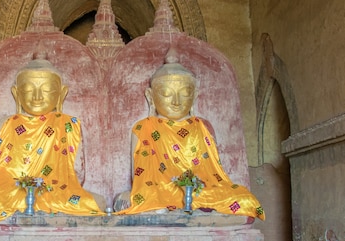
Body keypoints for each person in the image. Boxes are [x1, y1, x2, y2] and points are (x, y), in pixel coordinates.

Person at [0, 54, 104, 233]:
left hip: (53, 190)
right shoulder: (7, 123)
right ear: (16, 94)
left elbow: (76, 172)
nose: (37, 97)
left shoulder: (69, 125)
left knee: (96, 202)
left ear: (61, 94)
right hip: (11, 189)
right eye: (29, 90)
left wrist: (45, 184)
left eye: (46, 90)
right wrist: (22, 185)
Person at [114, 52, 265, 220]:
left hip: (199, 190)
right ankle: (177, 206)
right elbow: (140, 178)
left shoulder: (202, 127)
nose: (176, 101)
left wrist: (193, 187)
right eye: (166, 93)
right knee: (141, 196)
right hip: (160, 189)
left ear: (195, 96)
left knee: (242, 197)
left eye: (185, 93)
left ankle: (178, 206)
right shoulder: (144, 128)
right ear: (150, 96)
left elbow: (213, 172)